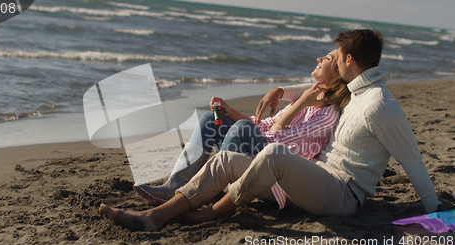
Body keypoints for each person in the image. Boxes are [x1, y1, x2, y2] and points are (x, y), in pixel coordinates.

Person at [99, 29, 441, 231]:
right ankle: (154, 216)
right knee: (226, 160)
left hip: (343, 195)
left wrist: (440, 218)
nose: (331, 61)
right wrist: (281, 92)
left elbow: (413, 162)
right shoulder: (354, 94)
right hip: (315, 179)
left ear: (349, 61)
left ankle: (208, 213)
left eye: (335, 57)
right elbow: (318, 95)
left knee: (272, 152)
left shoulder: (380, 103)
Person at [133, 49, 350, 206]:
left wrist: (300, 103)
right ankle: (175, 184)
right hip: (257, 152)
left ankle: (209, 188)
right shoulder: (307, 98)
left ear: (337, 74)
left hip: (273, 175)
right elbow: (263, 126)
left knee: (244, 128)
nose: (319, 58)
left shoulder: (326, 115)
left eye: (328, 58)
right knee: (211, 118)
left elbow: (275, 142)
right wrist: (229, 111)